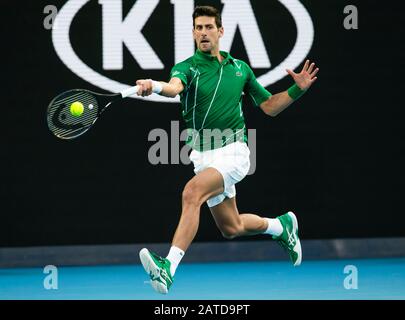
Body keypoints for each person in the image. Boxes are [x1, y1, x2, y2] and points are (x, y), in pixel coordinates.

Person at [135, 5, 319, 294]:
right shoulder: (186, 68)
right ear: (194, 33)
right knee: (231, 227)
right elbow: (173, 88)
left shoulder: (240, 69)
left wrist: (297, 90)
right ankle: (281, 227)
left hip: (234, 152)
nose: (204, 33)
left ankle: (167, 268)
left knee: (191, 193)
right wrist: (154, 86)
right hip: (202, 156)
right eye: (199, 28)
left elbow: (269, 107)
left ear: (220, 31)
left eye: (209, 27)